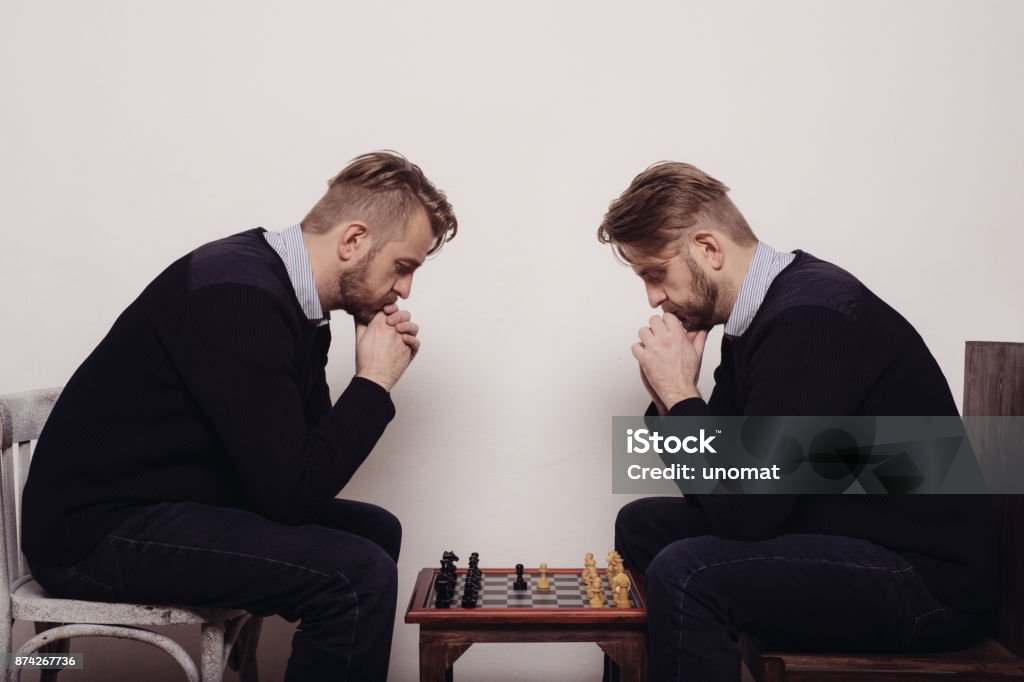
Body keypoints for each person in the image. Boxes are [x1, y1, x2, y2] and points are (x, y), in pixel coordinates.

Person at [21, 151, 457, 682]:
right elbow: (292, 495)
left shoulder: (291, 299)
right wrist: (374, 383)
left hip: (171, 502)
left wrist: (368, 368)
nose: (406, 288)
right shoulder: (238, 297)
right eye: (403, 266)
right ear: (353, 240)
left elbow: (303, 467)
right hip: (93, 535)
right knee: (355, 575)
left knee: (375, 533)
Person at [599, 162, 996, 681]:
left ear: (709, 249)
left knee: (689, 572)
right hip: (846, 537)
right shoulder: (758, 320)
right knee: (643, 525)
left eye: (655, 273)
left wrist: (681, 397)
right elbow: (715, 498)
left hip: (928, 582)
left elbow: (744, 515)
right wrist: (671, 399)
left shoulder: (811, 319)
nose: (653, 297)